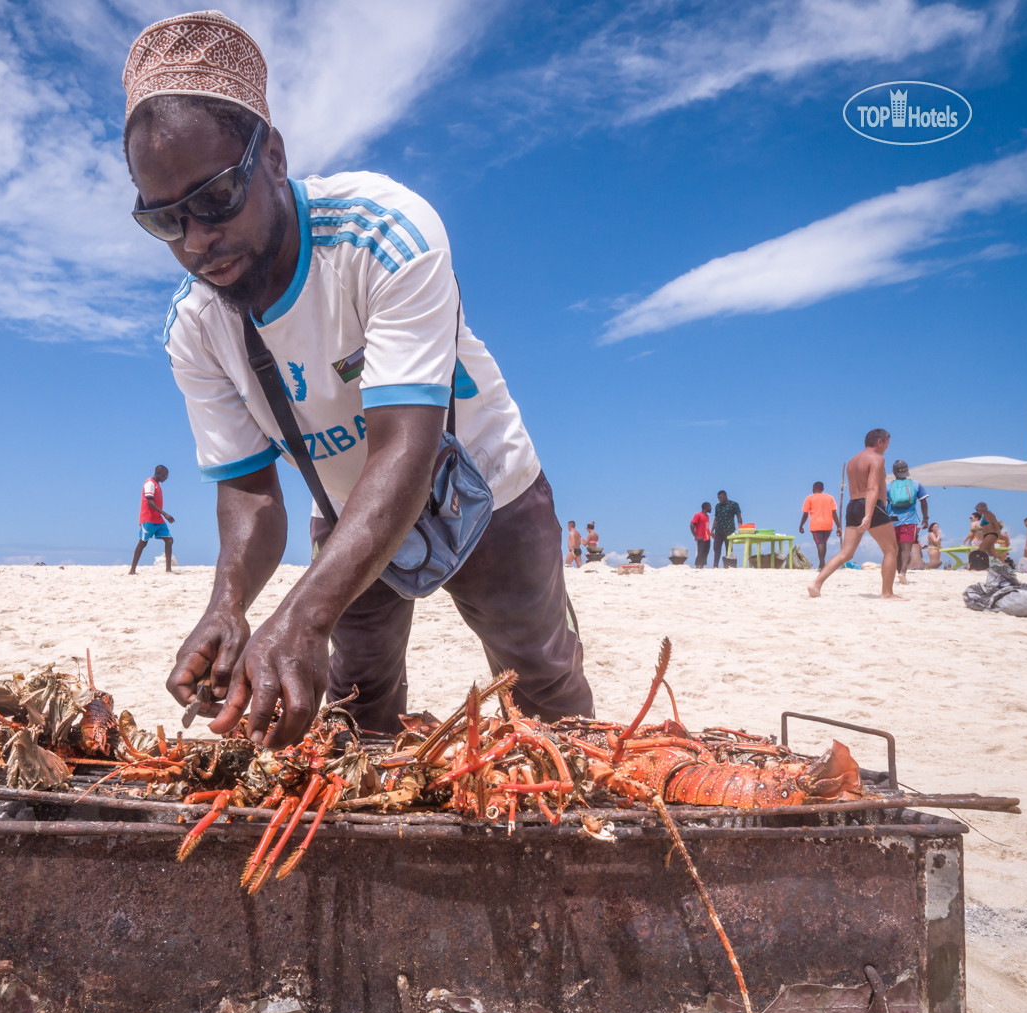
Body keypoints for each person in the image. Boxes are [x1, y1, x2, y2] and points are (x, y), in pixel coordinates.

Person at [126, 12, 592, 742]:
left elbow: (406, 448)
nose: (196, 242)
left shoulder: (383, 232)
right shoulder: (197, 325)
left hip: (487, 488)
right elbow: (250, 492)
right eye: (164, 221)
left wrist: (305, 613)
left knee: (543, 683)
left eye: (214, 199)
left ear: (272, 156)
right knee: (353, 704)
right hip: (352, 517)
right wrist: (228, 603)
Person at [809, 429, 902, 599]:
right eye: (887, 443)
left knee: (846, 553)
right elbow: (872, 488)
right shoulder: (877, 459)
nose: (888, 447)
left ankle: (816, 583)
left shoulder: (852, 461)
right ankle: (887, 593)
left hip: (853, 506)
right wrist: (868, 515)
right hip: (872, 506)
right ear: (880, 442)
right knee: (891, 549)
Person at [884, 461, 927, 582]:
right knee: (906, 549)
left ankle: (898, 572)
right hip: (909, 520)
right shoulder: (916, 485)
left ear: (894, 472)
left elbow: (882, 504)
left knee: (895, 549)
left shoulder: (888, 487)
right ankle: (903, 572)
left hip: (892, 521)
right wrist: (925, 518)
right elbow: (923, 502)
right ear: (907, 471)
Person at [130, 465, 175, 574]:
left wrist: (162, 515)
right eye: (164, 475)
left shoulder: (157, 485)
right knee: (143, 543)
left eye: (167, 475)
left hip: (158, 519)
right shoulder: (150, 483)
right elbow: (149, 501)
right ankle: (132, 570)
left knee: (169, 540)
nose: (166, 477)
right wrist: (165, 514)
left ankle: (168, 569)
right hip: (148, 518)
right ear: (158, 473)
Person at [798, 481, 839, 568]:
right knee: (823, 543)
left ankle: (822, 565)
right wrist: (838, 526)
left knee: (820, 544)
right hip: (828, 525)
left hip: (816, 525)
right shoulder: (830, 498)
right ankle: (821, 564)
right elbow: (834, 513)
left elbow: (805, 514)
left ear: (813, 489)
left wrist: (801, 525)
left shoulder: (809, 498)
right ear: (822, 489)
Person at [711, 490, 742, 568]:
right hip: (718, 531)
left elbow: (739, 516)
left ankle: (728, 566)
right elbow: (716, 519)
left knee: (728, 549)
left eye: (721, 498)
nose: (719, 499)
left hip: (729, 531)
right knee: (716, 548)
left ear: (725, 496)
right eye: (718, 498)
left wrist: (740, 528)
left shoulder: (734, 504)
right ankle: (715, 566)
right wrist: (712, 530)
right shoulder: (717, 506)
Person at [690, 501, 711, 568]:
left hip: (707, 538)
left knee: (705, 553)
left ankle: (702, 566)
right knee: (700, 553)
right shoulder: (698, 515)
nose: (711, 508)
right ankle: (697, 566)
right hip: (701, 538)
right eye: (710, 507)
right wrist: (696, 536)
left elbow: (706, 527)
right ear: (706, 507)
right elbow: (691, 525)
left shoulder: (707, 516)